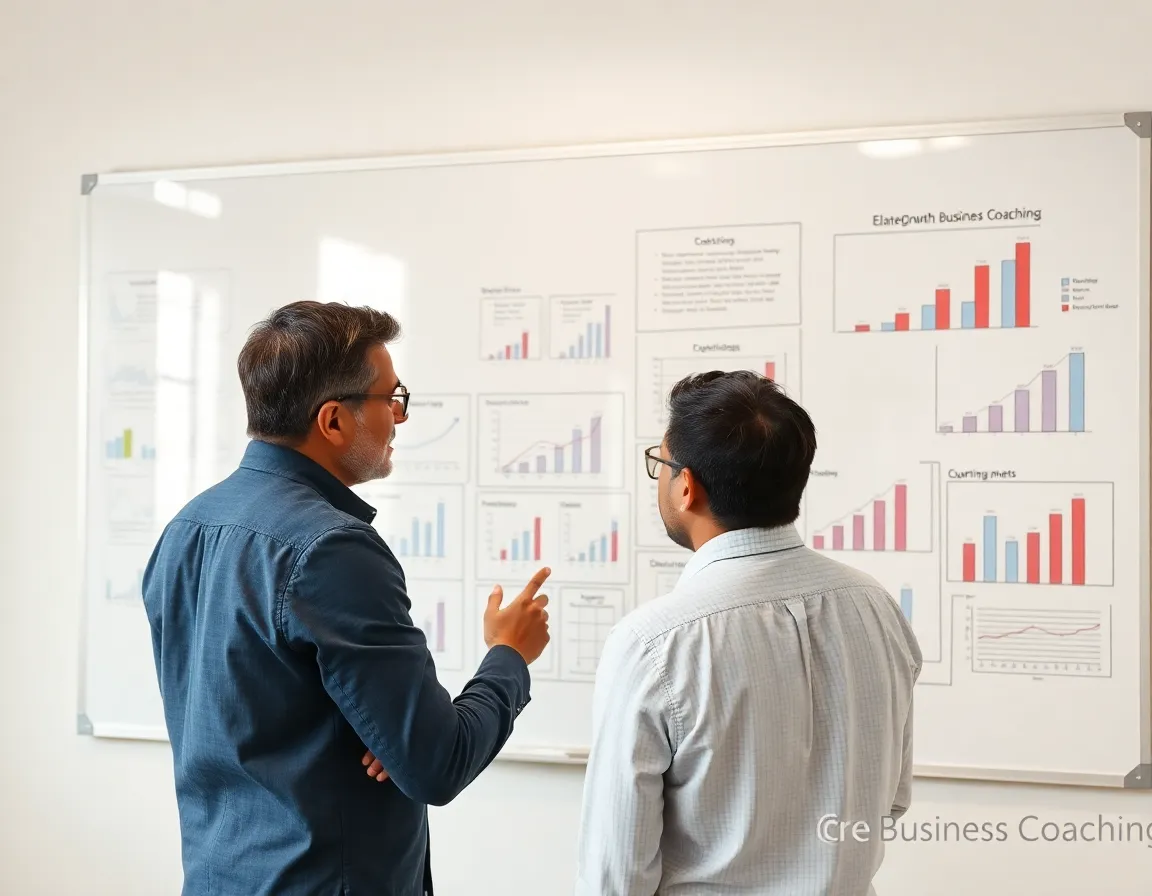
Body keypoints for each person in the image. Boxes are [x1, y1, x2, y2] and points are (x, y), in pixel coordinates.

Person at [142, 301, 551, 896]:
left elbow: (257, 710)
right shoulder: (334, 549)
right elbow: (438, 763)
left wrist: (390, 734)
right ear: (333, 420)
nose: (399, 416)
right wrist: (509, 656)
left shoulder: (186, 529)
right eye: (391, 398)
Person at [575, 370, 922, 896]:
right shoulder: (876, 607)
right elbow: (891, 800)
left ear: (686, 486)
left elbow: (615, 876)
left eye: (661, 465)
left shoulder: (653, 643)